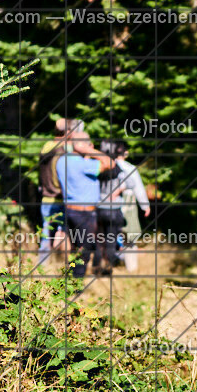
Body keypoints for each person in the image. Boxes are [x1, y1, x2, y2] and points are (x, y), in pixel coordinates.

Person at [54, 131, 116, 278]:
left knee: (74, 248)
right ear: (83, 145)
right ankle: (75, 285)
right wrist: (89, 150)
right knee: (84, 250)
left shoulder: (62, 161)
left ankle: (67, 280)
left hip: (69, 210)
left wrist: (83, 150)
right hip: (84, 213)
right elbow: (110, 163)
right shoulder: (83, 165)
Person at [94, 139, 151, 276]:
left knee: (102, 238)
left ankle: (100, 266)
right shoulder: (128, 168)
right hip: (123, 207)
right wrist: (145, 205)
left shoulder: (99, 165)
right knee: (128, 238)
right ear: (124, 152)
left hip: (100, 207)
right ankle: (130, 268)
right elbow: (137, 187)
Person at [36, 118, 85, 266]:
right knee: (65, 235)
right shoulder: (64, 151)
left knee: (46, 235)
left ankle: (42, 267)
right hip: (61, 199)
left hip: (46, 199)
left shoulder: (46, 147)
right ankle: (65, 267)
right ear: (68, 133)